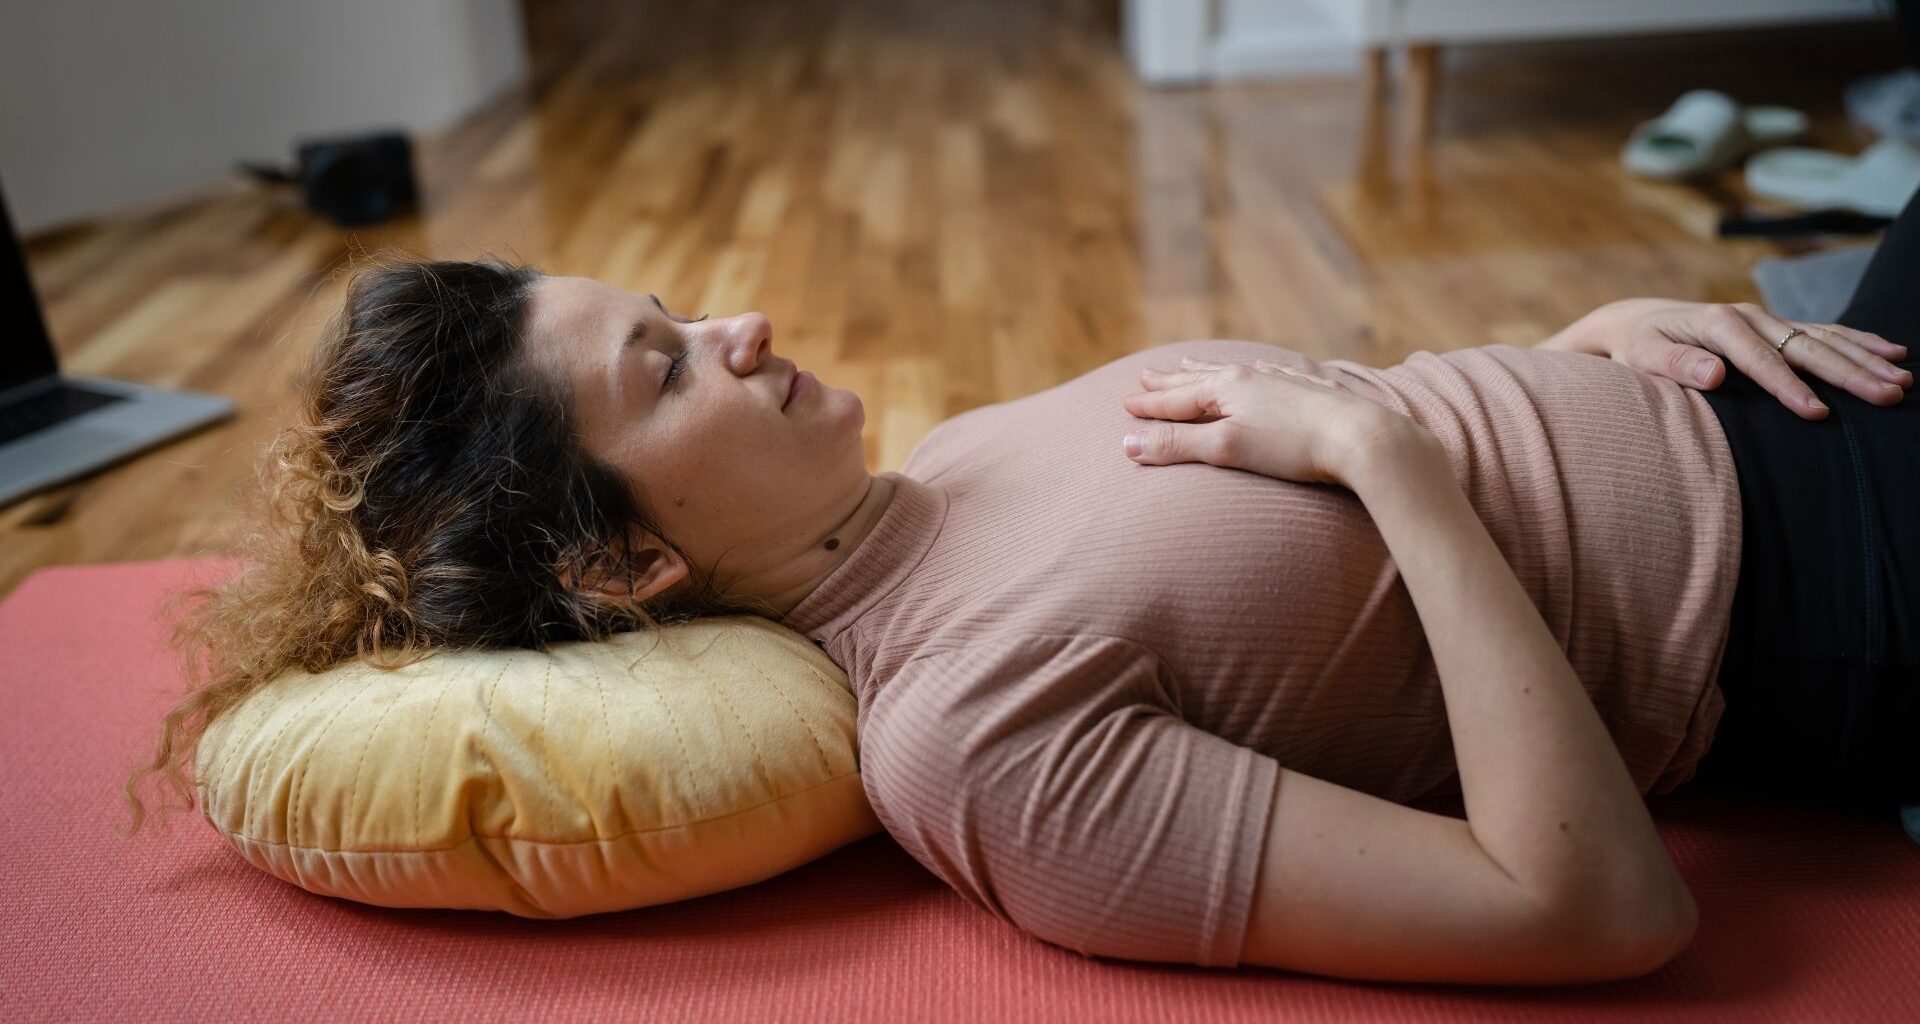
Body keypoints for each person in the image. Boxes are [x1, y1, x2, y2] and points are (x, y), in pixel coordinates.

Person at [123, 194, 1916, 987]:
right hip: (1832, 592)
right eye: (667, 370)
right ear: (627, 561)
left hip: (1755, 381)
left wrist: (1579, 348)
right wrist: (1403, 474)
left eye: (673, 310)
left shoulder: (965, 454)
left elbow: (1396, 427)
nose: (738, 327)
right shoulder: (973, 739)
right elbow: (1587, 913)